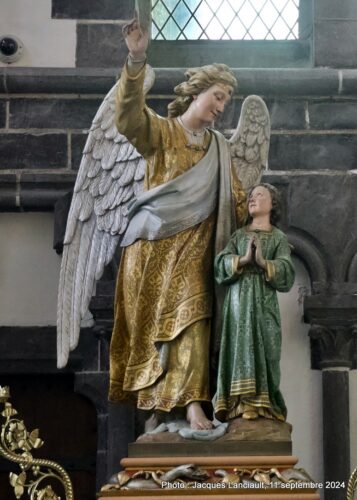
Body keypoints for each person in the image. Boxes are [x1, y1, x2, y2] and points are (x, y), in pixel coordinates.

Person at [109, 19, 247, 430]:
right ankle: (157, 406)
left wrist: (261, 222)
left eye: (225, 102)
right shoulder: (162, 133)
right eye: (217, 97)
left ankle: (191, 404)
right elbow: (128, 117)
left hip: (199, 246)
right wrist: (136, 59)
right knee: (157, 328)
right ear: (195, 92)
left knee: (195, 315)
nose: (221, 108)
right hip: (154, 246)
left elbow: (235, 199)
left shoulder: (219, 148)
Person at [213, 184, 295, 422]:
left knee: (267, 349)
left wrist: (262, 262)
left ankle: (264, 402)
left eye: (260, 195)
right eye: (251, 196)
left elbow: (287, 273)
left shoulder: (278, 238)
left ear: (272, 205)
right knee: (239, 347)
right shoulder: (239, 236)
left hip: (264, 304)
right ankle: (239, 404)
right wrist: (243, 259)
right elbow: (220, 265)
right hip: (238, 304)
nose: (252, 198)